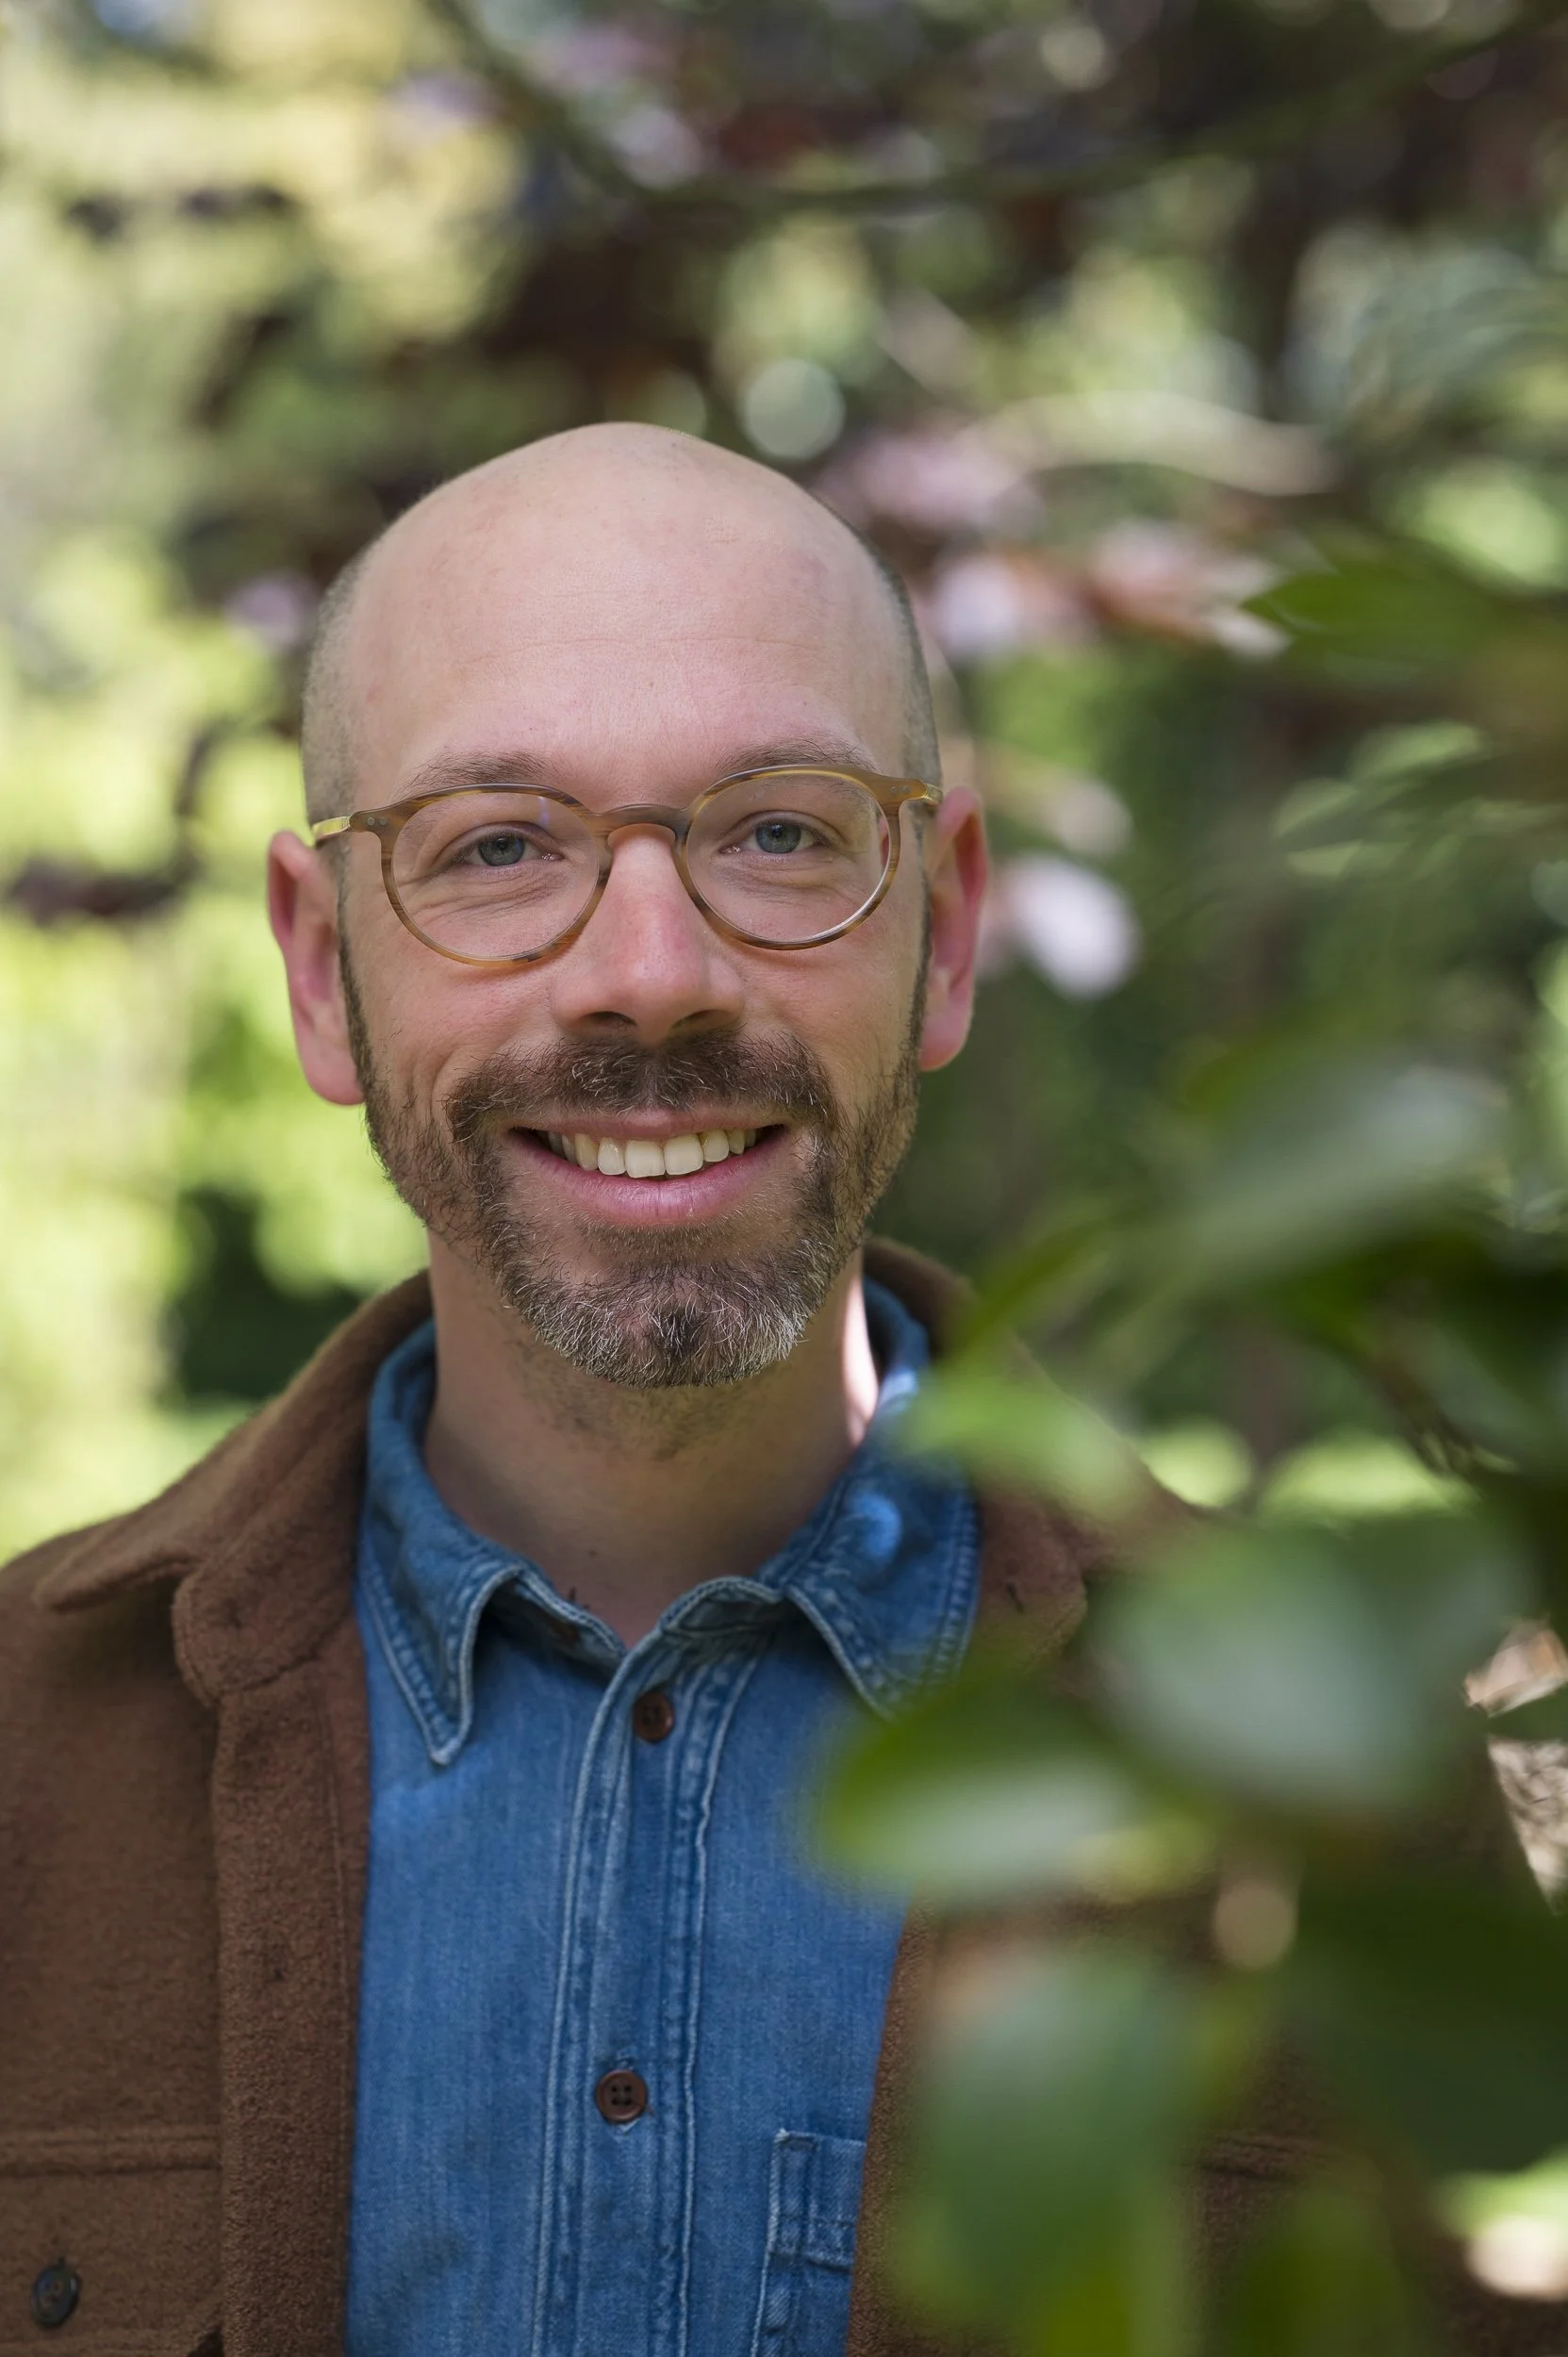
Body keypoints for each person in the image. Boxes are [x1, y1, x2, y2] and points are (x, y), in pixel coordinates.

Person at [0, 426, 1539, 2357]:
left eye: (782, 830)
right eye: (497, 844)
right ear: (322, 972)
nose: (651, 974)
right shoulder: (19, 1758)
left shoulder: (1332, 1783)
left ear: (949, 927)